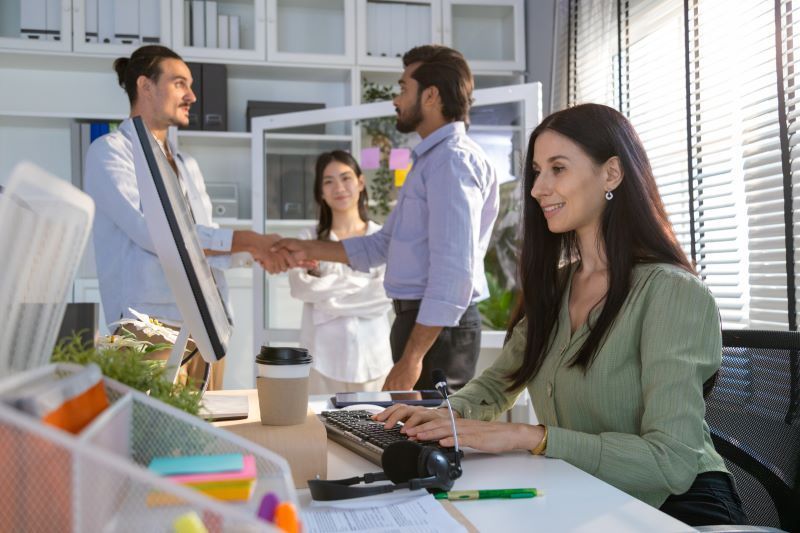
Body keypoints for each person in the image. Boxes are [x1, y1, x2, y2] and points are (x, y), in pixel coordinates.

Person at [374, 104, 747, 526]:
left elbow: (671, 462)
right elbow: (501, 383)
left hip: (675, 508)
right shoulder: (556, 286)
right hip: (587, 492)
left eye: (557, 168)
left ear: (611, 174)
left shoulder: (672, 292)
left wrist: (531, 437)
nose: (537, 188)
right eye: (537, 170)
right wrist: (443, 416)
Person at [272, 45, 499, 393]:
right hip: (422, 324)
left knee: (430, 437)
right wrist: (303, 247)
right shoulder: (430, 161)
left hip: (437, 331)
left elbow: (454, 273)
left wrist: (412, 358)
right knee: (412, 435)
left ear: (431, 96)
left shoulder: (452, 162)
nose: (396, 99)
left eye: (404, 88)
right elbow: (382, 245)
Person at [84, 45, 289, 389]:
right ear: (145, 86)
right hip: (148, 327)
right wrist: (249, 240)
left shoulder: (187, 164)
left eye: (190, 85)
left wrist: (254, 253)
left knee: (205, 437)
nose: (192, 95)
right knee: (152, 438)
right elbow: (156, 234)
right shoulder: (110, 153)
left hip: (208, 328)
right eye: (179, 83)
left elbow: (200, 239)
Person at [287, 151, 393, 394]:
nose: (339, 187)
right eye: (328, 181)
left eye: (346, 178)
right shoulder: (308, 239)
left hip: (374, 359)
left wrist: (326, 299)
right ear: (321, 193)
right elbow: (301, 288)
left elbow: (384, 295)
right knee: (320, 429)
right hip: (322, 359)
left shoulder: (381, 238)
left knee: (373, 429)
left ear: (361, 182)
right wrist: (359, 284)